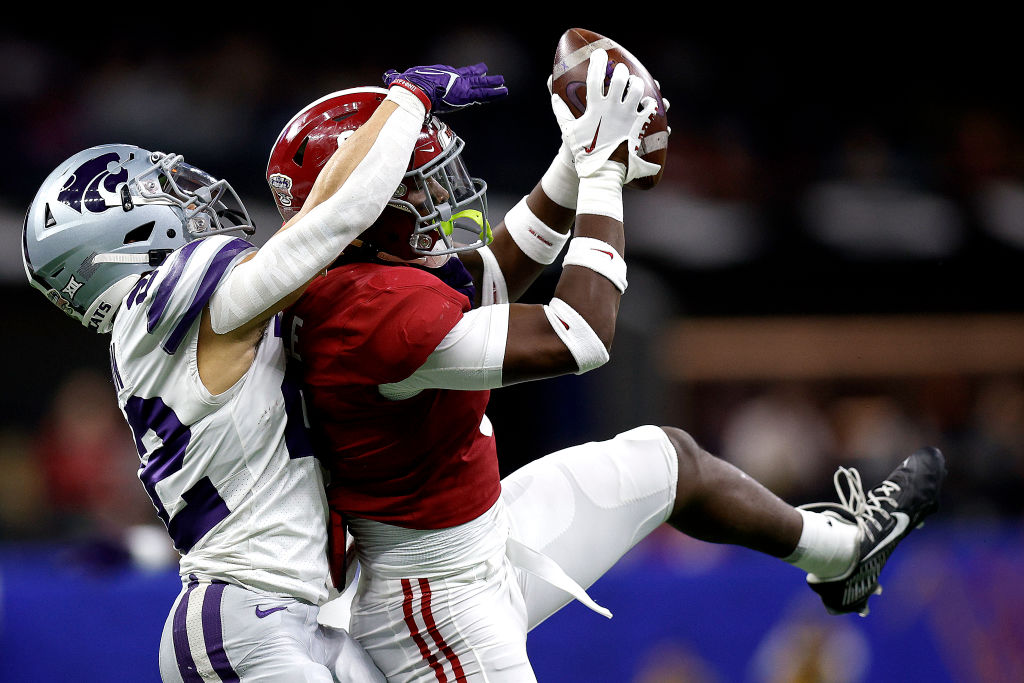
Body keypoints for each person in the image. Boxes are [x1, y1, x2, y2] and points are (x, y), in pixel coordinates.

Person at [268, 51, 947, 682]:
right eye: (413, 186)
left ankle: (842, 554)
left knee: (669, 459)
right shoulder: (366, 314)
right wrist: (600, 172)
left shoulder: (353, 285)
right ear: (355, 212)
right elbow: (579, 335)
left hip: (475, 536)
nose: (440, 197)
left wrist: (571, 157)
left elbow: (495, 278)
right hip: (431, 602)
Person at [21, 63, 507, 682]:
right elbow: (331, 221)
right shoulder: (160, 304)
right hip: (246, 619)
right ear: (124, 231)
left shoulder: (195, 324)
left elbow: (322, 232)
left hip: (291, 613)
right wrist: (405, 103)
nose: (190, 194)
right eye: (158, 191)